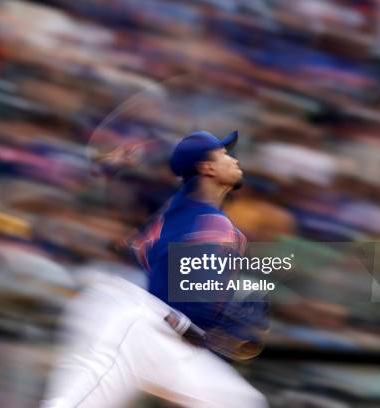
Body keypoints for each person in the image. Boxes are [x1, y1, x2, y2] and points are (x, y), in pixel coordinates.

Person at [42, 131, 269, 408]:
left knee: (241, 402)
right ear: (207, 168)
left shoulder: (195, 212)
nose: (233, 159)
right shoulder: (193, 212)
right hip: (128, 317)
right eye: (224, 155)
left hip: (166, 335)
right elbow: (185, 295)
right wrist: (225, 314)